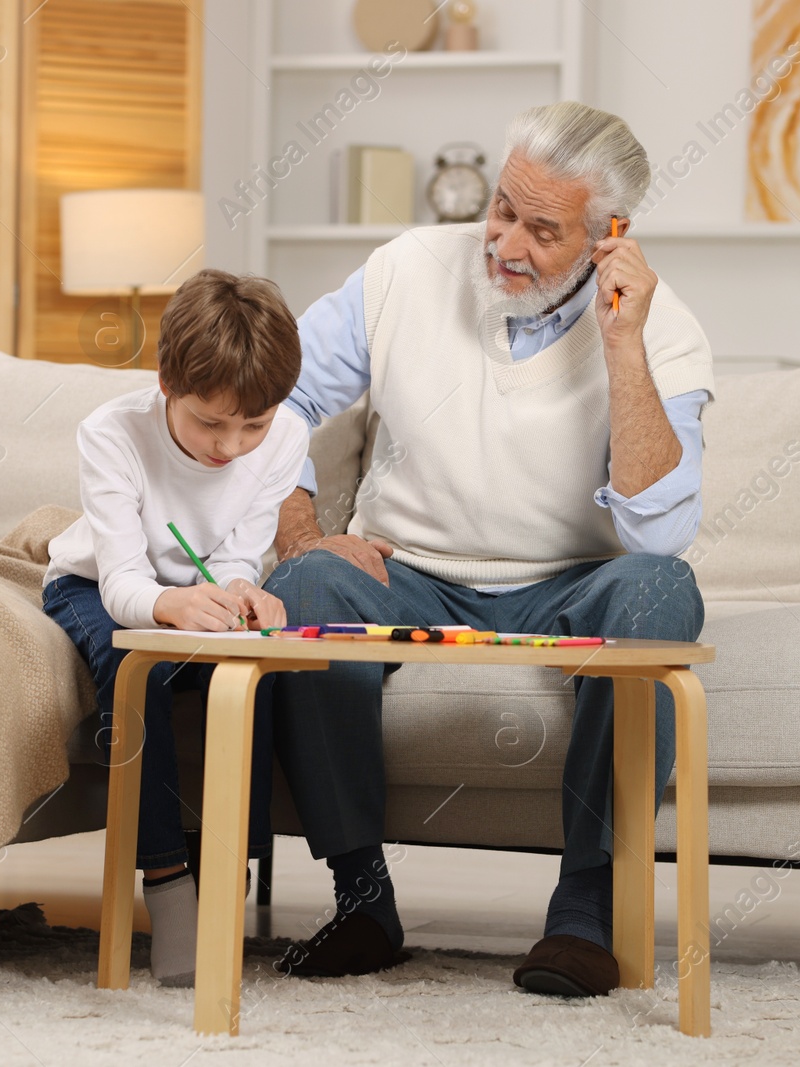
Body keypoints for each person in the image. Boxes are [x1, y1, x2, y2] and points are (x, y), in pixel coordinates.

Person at [265, 101, 715, 996]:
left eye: (541, 229)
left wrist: (622, 343)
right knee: (308, 583)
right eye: (500, 209)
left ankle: (584, 911)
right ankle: (362, 900)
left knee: (661, 591)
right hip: (411, 571)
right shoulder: (403, 271)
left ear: (607, 235)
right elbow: (273, 395)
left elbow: (657, 529)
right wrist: (305, 527)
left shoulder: (661, 327)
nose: (503, 243)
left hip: (572, 582)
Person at [42, 268, 308, 987]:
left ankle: (226, 872)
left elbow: (237, 552)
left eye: (252, 424)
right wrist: (171, 606)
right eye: (210, 421)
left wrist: (238, 592)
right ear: (165, 381)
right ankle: (166, 882)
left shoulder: (283, 436)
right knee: (140, 667)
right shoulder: (110, 434)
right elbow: (125, 580)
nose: (231, 446)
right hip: (98, 584)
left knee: (248, 668)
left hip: (189, 589)